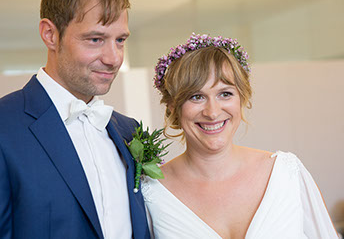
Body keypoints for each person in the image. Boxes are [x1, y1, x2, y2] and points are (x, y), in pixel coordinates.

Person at [0, 0, 150, 238]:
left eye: (120, 40)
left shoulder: (128, 131)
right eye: (95, 39)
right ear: (50, 35)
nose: (113, 58)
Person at [142, 33, 339, 238]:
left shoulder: (285, 174)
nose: (212, 112)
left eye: (225, 93)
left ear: (241, 98)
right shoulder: (152, 193)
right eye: (197, 97)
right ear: (174, 107)